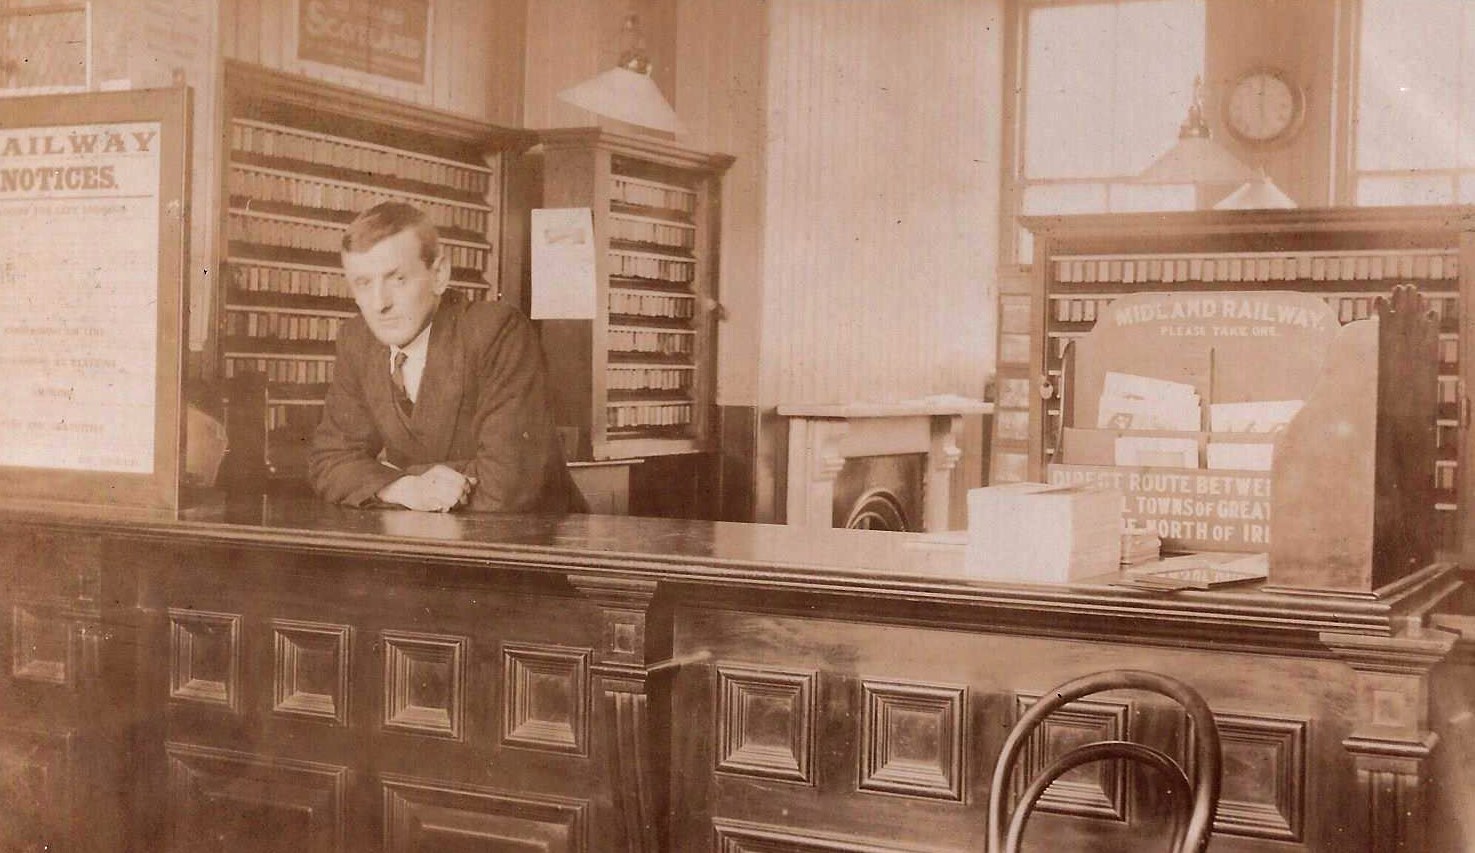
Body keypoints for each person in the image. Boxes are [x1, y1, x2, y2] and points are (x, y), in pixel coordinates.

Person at [309, 201, 583, 513]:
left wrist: (384, 476)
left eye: (397, 279)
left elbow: (507, 487)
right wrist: (405, 488)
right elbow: (329, 461)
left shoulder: (496, 331)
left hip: (536, 548)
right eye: (363, 283)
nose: (379, 303)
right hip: (433, 542)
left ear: (439, 273)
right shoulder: (358, 341)